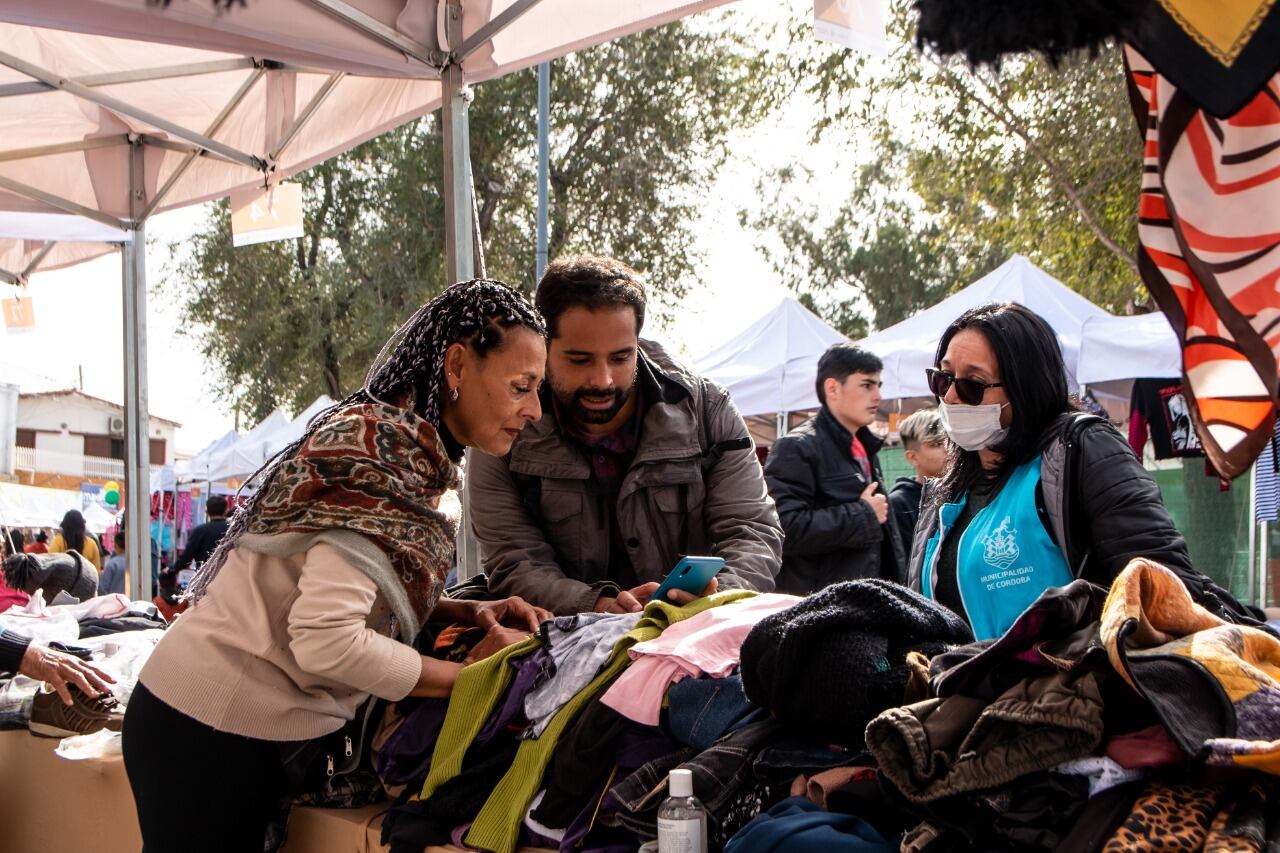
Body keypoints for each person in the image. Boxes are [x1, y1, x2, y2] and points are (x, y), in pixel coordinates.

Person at [123, 280, 555, 852]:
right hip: (206, 730)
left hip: (215, 725)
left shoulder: (394, 450)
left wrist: (464, 610)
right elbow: (325, 639)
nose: (535, 411)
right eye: (521, 387)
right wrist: (468, 679)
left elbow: (343, 592)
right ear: (456, 366)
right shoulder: (379, 463)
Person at [907, 302, 1259, 641]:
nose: (950, 397)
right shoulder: (946, 493)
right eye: (943, 379)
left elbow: (1162, 589)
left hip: (1071, 695)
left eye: (972, 384)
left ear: (1025, 387)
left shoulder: (1082, 449)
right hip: (967, 697)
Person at [470, 255, 783, 615]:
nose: (602, 380)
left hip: (694, 637)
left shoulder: (708, 413)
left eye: (620, 358)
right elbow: (515, 562)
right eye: (580, 360)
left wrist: (711, 601)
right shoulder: (504, 430)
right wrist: (596, 607)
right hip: (566, 644)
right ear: (543, 348)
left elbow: (753, 532)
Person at [764, 344, 905, 594]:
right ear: (832, 388)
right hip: (820, 612)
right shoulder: (796, 447)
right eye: (866, 385)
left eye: (878, 386)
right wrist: (862, 515)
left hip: (868, 603)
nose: (877, 396)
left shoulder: (864, 447)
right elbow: (783, 530)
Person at [888, 408, 949, 551]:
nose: (947, 448)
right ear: (913, 457)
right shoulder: (899, 504)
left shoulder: (965, 493)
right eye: (936, 444)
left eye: (949, 441)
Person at [168, 493, 230, 579]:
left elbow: (187, 557)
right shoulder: (233, 530)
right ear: (226, 510)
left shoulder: (200, 530)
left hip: (205, 578)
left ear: (206, 512)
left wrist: (171, 570)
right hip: (229, 577)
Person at [99, 532, 128, 597]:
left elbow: (103, 588)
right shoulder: (136, 563)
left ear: (116, 545)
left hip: (115, 602)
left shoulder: (112, 564)